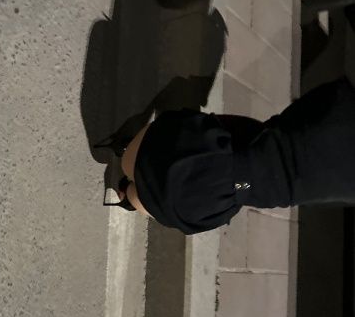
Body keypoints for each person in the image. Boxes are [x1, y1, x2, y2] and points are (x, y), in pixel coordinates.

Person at [96, 75, 355, 235]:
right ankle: (131, 192)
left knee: (140, 159)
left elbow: (311, 106)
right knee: (242, 180)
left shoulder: (342, 106)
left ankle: (134, 156)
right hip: (226, 192)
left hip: (221, 155)